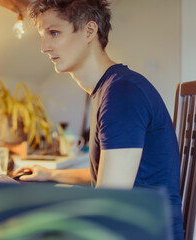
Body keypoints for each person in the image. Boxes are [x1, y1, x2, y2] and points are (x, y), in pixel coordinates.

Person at [12, 0, 184, 239]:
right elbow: (109, 175)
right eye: (43, 35)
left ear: (89, 31)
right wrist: (51, 175)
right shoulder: (109, 89)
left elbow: (107, 203)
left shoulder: (122, 93)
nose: (44, 47)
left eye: (53, 33)